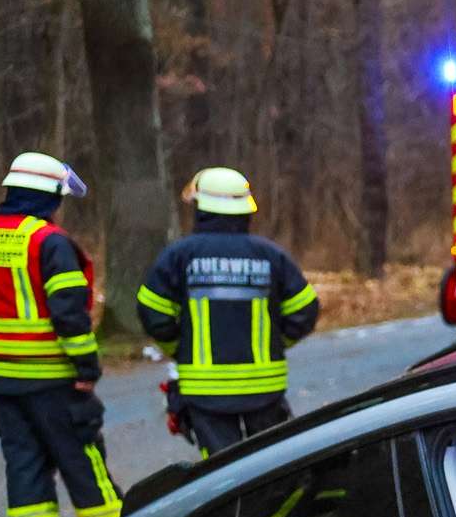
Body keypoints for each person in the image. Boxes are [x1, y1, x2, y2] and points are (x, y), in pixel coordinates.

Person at [0, 152, 119, 517]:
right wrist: (86, 369)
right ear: (49, 197)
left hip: (1, 380)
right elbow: (69, 314)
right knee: (82, 457)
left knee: (23, 460)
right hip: (53, 378)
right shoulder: (49, 242)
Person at [136, 167, 319, 456]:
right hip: (264, 389)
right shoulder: (271, 256)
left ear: (200, 208)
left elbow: (152, 311)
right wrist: (275, 343)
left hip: (205, 392)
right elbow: (305, 310)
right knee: (274, 467)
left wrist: (179, 348)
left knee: (222, 474)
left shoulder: (179, 256)